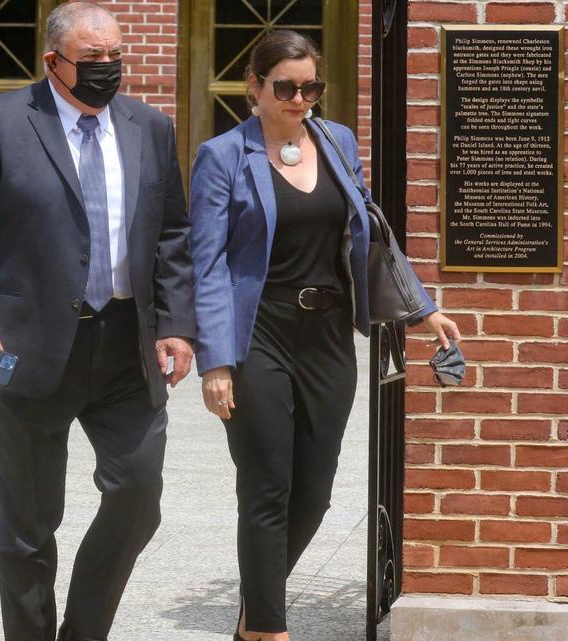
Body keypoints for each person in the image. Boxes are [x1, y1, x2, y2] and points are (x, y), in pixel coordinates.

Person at [0, 3, 195, 640]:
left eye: (115, 56)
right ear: (53, 61)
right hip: (26, 347)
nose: (107, 68)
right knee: (28, 524)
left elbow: (173, 235)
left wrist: (177, 322)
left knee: (137, 498)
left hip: (124, 346)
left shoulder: (150, 127)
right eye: (91, 58)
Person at [187, 30, 461, 641]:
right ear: (253, 87)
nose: (301, 98)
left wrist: (421, 309)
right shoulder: (223, 155)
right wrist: (216, 362)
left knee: (314, 490)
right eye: (286, 87)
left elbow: (372, 236)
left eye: (312, 86)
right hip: (259, 331)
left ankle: (254, 613)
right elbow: (205, 264)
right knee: (267, 485)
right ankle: (269, 630)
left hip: (330, 333)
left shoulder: (336, 142)